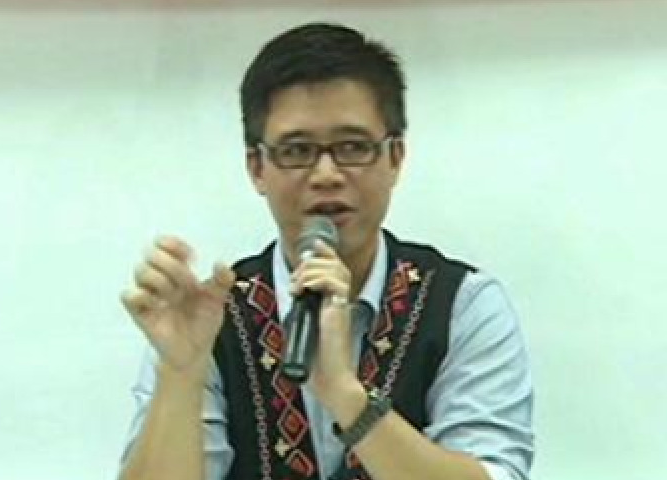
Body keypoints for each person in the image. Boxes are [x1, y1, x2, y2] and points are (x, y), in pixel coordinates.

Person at [118, 22, 534, 480]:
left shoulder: (463, 305)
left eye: (353, 147)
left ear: (395, 157)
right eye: (297, 150)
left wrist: (345, 396)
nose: (326, 175)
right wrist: (180, 373)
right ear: (256, 168)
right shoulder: (210, 317)